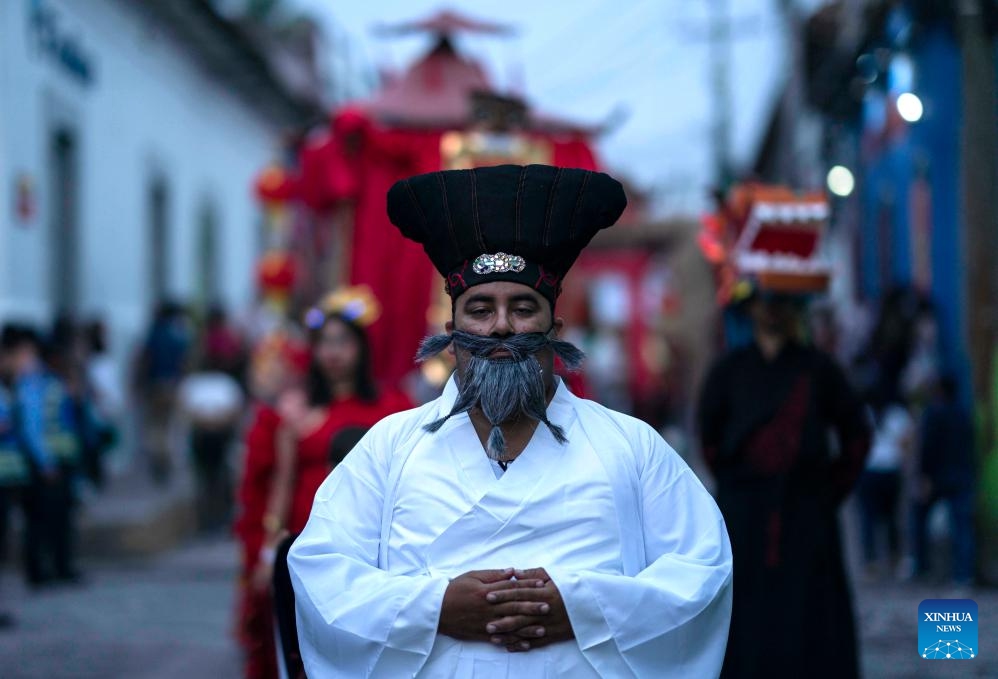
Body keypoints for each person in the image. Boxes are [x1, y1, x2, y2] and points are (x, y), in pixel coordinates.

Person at [289, 165, 733, 678]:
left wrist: (580, 608)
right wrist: (437, 609)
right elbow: (322, 572)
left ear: (555, 328)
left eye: (523, 307)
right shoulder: (390, 447)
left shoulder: (631, 446)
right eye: (481, 309)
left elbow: (702, 573)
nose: (502, 325)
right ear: (452, 331)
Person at [698, 291, 871, 678]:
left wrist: (828, 492)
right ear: (750, 308)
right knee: (748, 618)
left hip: (807, 514)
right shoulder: (729, 371)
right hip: (745, 518)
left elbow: (856, 435)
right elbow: (709, 439)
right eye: (762, 299)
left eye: (779, 298)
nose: (771, 307)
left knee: (812, 614)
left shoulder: (819, 368)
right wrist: (736, 488)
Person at [910, 375, 976, 586]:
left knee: (918, 517)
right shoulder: (964, 414)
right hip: (961, 476)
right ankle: (963, 575)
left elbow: (927, 448)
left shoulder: (934, 414)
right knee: (962, 527)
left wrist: (924, 476)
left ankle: (921, 566)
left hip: (938, 478)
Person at [856, 391, 914, 580]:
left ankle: (871, 561)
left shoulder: (864, 411)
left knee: (868, 518)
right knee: (890, 516)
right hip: (890, 469)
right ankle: (893, 558)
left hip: (870, 469)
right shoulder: (897, 413)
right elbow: (906, 442)